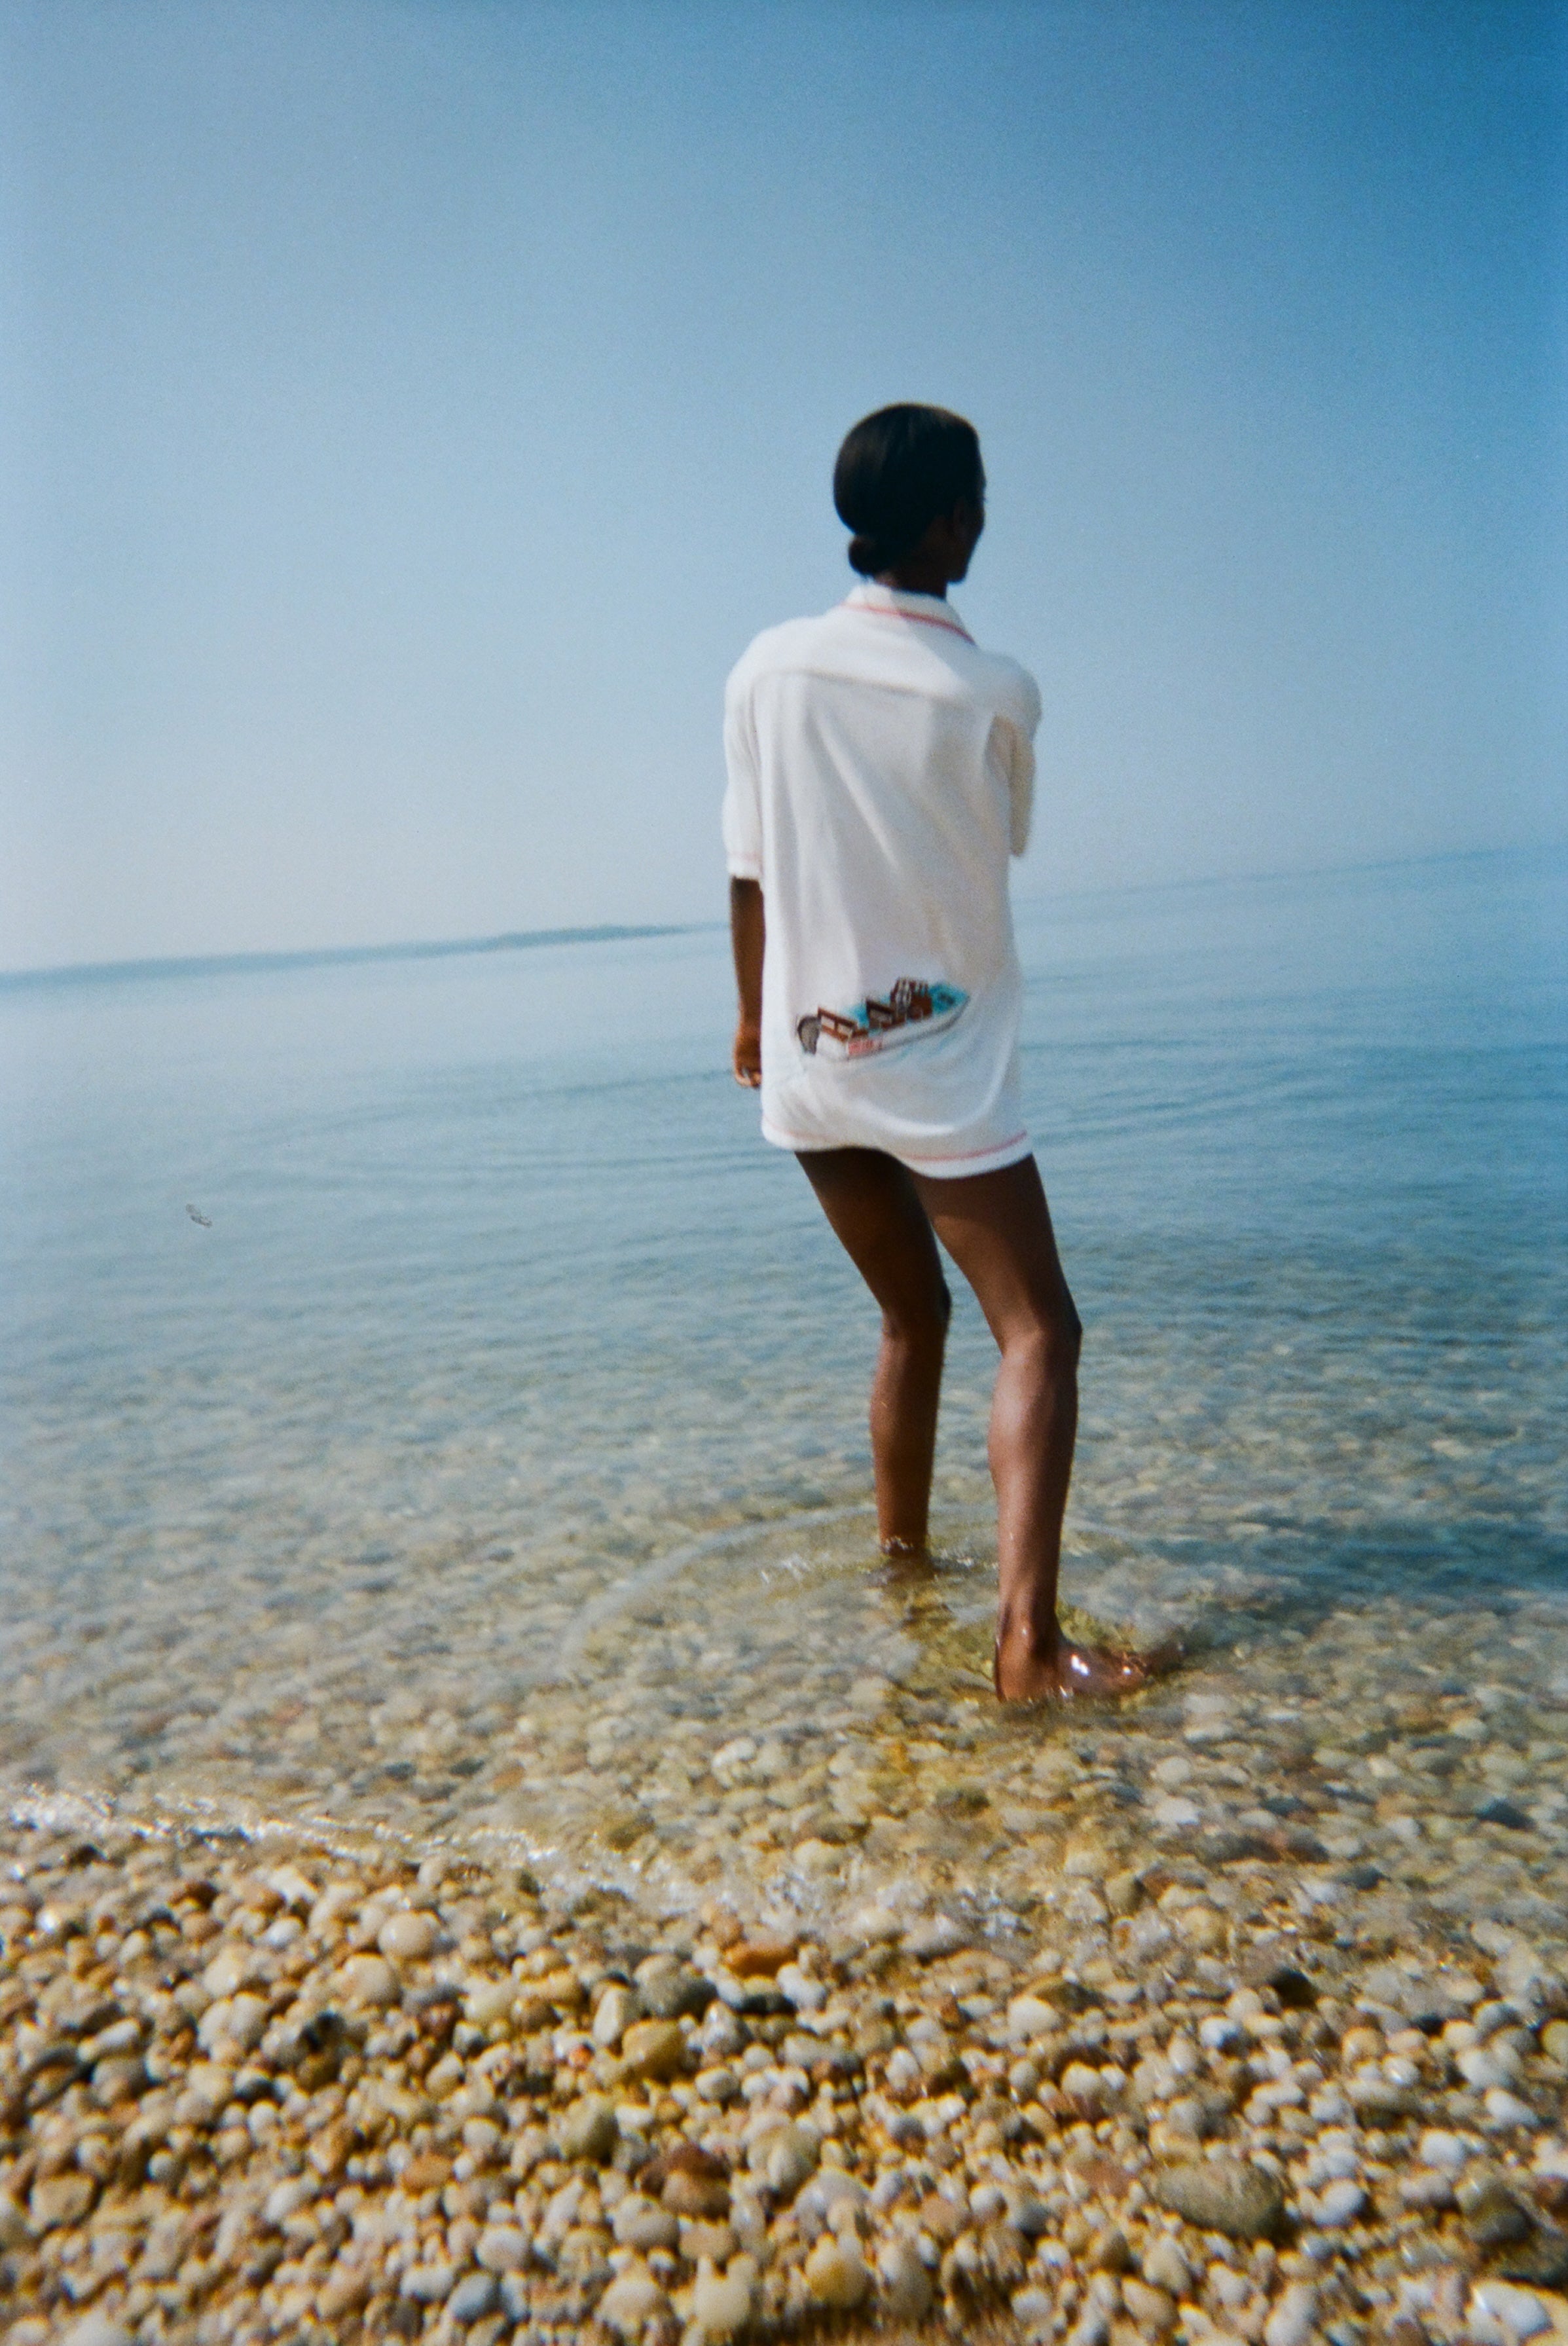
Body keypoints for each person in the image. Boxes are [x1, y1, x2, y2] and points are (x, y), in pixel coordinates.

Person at [722, 402, 1152, 1702]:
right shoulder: (994, 689)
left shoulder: (765, 669)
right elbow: (1000, 836)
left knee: (911, 1315)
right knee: (1041, 1332)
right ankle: (1026, 1646)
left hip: (812, 1058)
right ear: (956, 519)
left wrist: (750, 1022)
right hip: (940, 1064)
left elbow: (747, 868)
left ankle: (902, 1575)